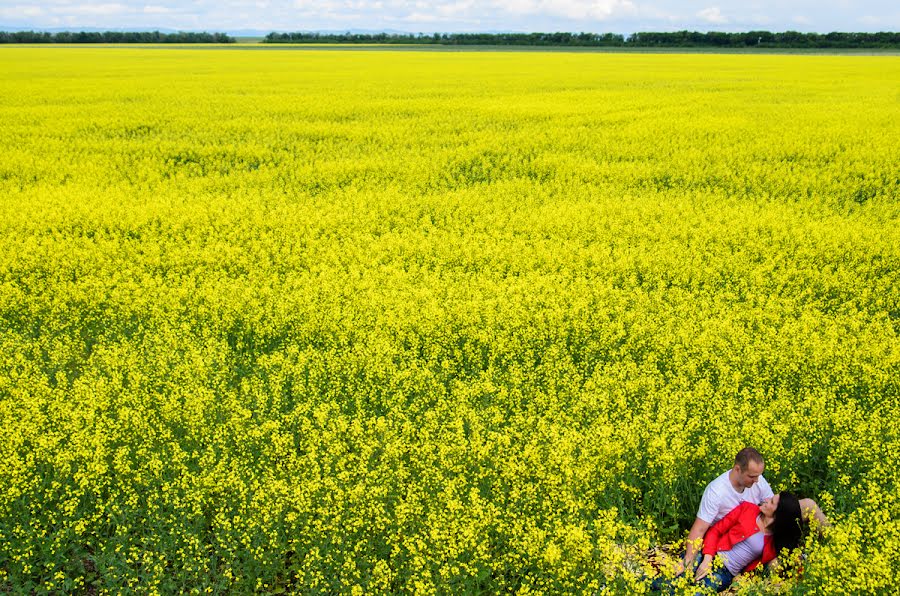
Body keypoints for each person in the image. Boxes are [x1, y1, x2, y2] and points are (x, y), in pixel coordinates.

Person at [679, 447, 828, 576]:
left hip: (762, 523)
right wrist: (688, 561)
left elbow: (775, 505)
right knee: (775, 564)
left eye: (759, 475)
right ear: (737, 469)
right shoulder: (716, 492)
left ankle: (832, 543)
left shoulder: (757, 480)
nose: (757, 481)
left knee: (809, 505)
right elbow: (699, 529)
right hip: (737, 534)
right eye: (752, 476)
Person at [652, 492, 805, 594]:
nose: (766, 499)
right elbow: (715, 531)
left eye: (771, 501)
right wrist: (707, 558)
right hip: (709, 554)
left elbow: (792, 564)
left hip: (726, 573)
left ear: (779, 514)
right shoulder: (747, 509)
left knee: (697, 593)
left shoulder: (776, 541)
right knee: (669, 582)